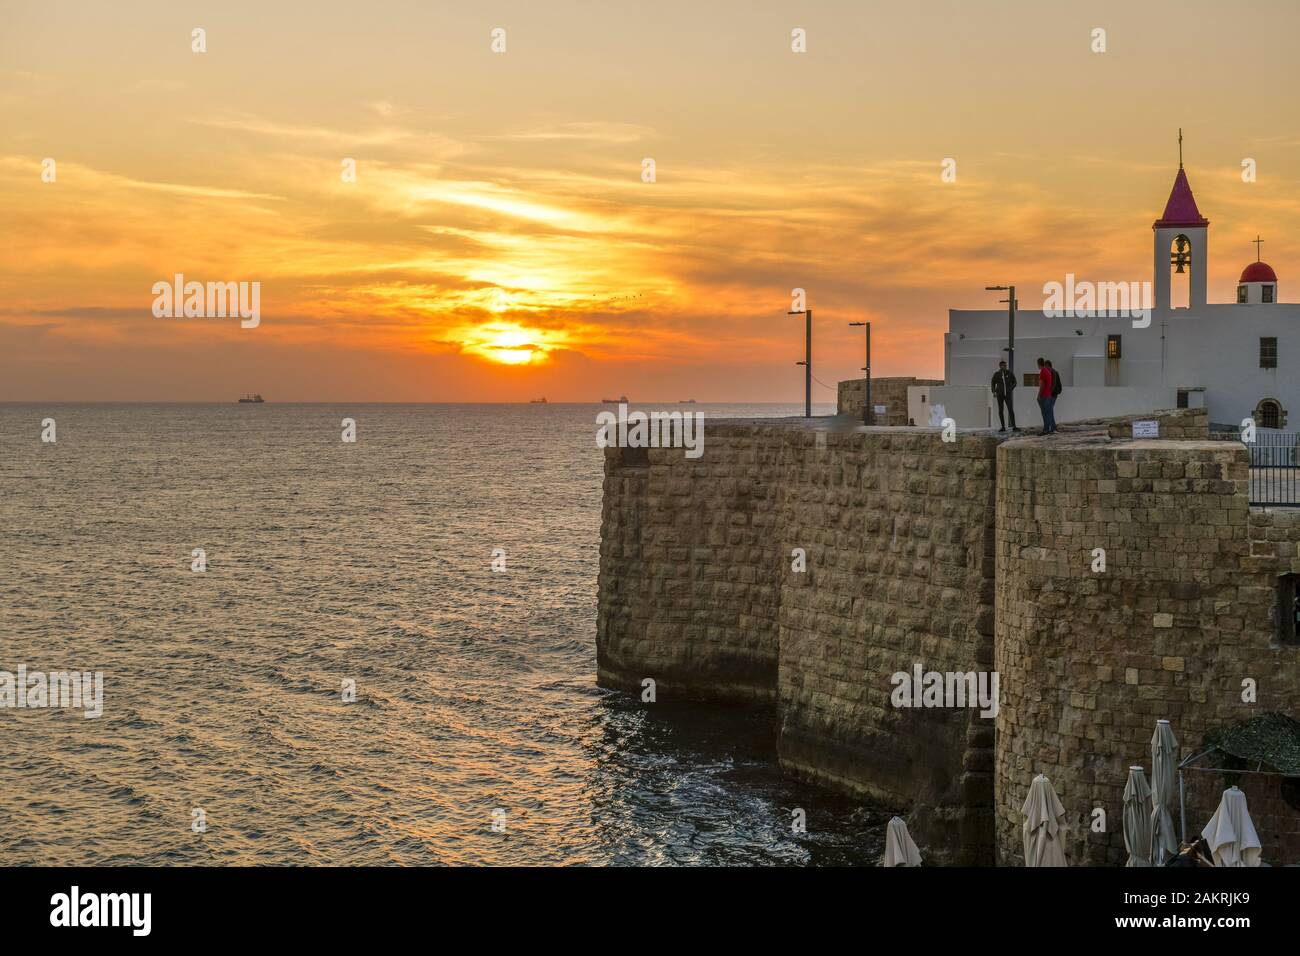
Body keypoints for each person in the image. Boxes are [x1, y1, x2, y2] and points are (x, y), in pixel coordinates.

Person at [990, 360, 1017, 433]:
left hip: (1007, 395)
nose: (1005, 367)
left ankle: (1014, 426)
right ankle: (1003, 427)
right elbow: (992, 383)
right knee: (1000, 411)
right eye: (1003, 366)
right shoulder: (997, 374)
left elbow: (1015, 382)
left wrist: (1010, 388)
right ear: (1000, 366)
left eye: (1005, 366)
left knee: (1010, 409)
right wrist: (994, 391)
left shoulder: (1009, 373)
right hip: (1000, 395)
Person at [1036, 357, 1056, 434]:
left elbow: (1042, 385)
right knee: (1048, 412)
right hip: (1048, 395)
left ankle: (1046, 429)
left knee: (1044, 413)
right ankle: (1049, 428)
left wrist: (1039, 395)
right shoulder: (1047, 371)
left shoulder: (1042, 372)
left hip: (1044, 395)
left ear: (1038, 364)